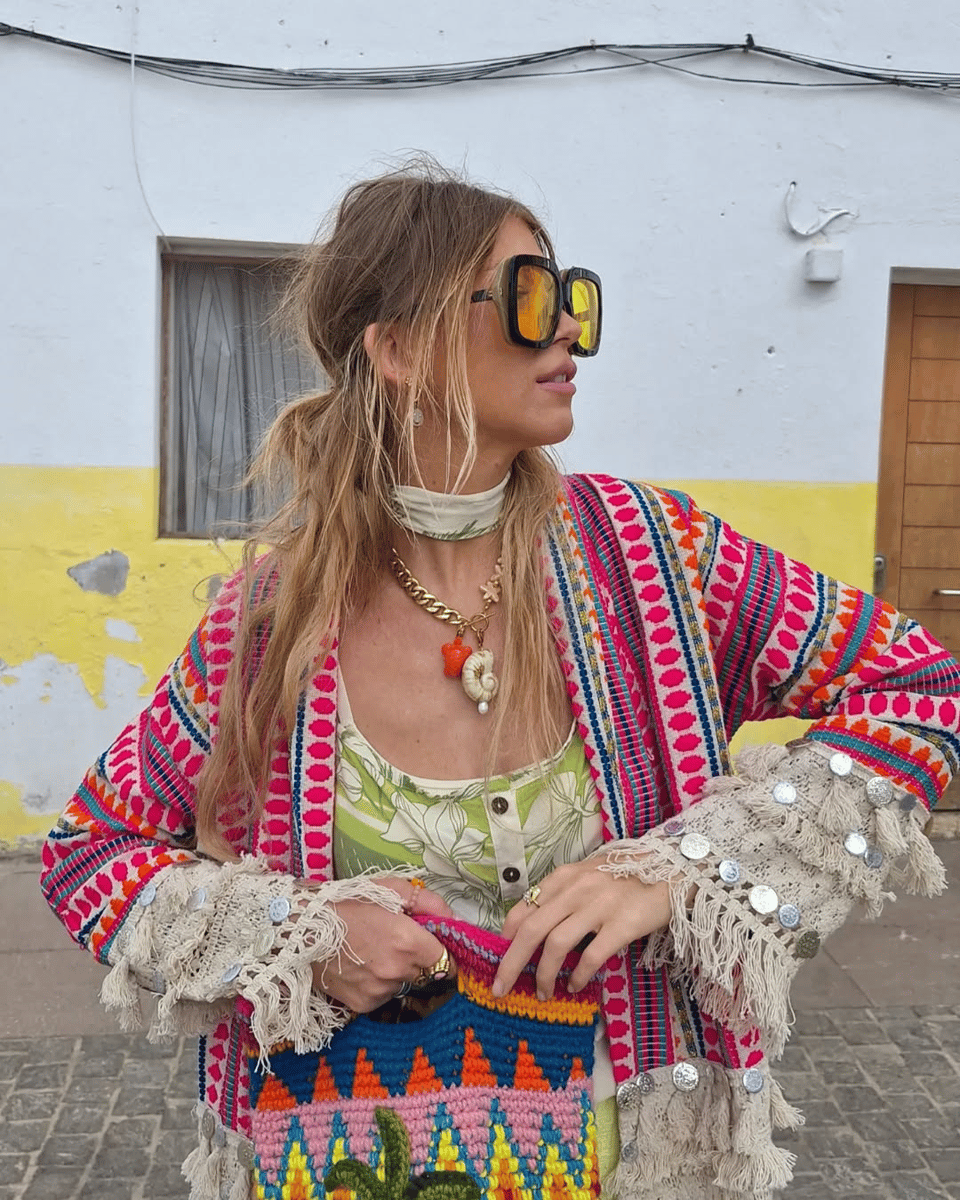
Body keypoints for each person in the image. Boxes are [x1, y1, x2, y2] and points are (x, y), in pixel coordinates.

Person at [41, 164, 959, 1200]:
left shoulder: (655, 561)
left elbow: (923, 688)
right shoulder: (269, 630)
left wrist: (690, 867)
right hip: (347, 1161)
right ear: (396, 348)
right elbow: (89, 853)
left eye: (576, 300)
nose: (567, 331)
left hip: (647, 1167)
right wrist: (300, 936)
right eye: (529, 298)